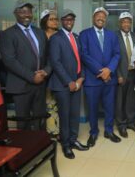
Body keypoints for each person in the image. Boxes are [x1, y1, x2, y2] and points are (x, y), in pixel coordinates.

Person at [0, 0, 51, 130]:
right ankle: (26, 148)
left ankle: (40, 146)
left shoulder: (40, 32)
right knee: (23, 122)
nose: (26, 14)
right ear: (15, 13)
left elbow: (49, 56)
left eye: (29, 11)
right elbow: (10, 61)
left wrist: (45, 71)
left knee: (40, 119)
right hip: (21, 85)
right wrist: (31, 76)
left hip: (40, 84)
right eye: (22, 11)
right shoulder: (8, 34)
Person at [48, 9, 88, 159]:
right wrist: (69, 81)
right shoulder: (55, 38)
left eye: (71, 19)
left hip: (77, 83)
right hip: (63, 85)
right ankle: (65, 145)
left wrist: (81, 78)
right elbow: (56, 63)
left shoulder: (76, 37)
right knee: (64, 116)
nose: (69, 22)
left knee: (74, 115)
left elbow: (81, 59)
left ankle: (73, 140)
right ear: (61, 21)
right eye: (66, 19)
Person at [80, 7, 121, 147]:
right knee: (92, 108)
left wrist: (109, 70)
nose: (101, 18)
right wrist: (101, 71)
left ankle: (109, 131)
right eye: (98, 15)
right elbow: (84, 55)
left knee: (110, 107)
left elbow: (117, 54)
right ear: (93, 17)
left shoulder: (112, 35)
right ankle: (93, 132)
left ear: (106, 20)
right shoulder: (84, 34)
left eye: (103, 16)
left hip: (110, 79)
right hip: (93, 79)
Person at [116, 12, 135, 138]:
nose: (126, 24)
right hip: (121, 74)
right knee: (120, 100)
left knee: (131, 100)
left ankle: (131, 122)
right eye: (124, 21)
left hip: (133, 72)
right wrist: (118, 74)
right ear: (120, 23)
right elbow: (114, 56)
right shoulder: (115, 36)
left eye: (128, 21)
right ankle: (121, 125)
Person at [40, 9, 60, 137]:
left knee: (57, 104)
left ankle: (57, 130)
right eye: (51, 19)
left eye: (56, 19)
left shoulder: (60, 35)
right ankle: (49, 130)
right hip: (44, 74)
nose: (55, 22)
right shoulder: (40, 35)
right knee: (47, 104)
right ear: (45, 21)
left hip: (58, 74)